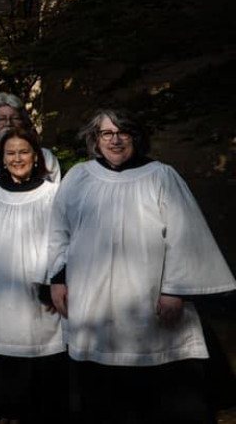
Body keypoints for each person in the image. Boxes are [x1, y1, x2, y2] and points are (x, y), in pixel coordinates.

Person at [46, 109, 236, 422]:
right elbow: (58, 231)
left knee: (159, 393)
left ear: (136, 136)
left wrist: (174, 290)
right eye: (107, 133)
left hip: (150, 301)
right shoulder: (79, 176)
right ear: (96, 139)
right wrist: (56, 278)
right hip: (93, 302)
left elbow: (184, 235)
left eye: (123, 132)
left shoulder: (161, 175)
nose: (115, 140)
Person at [0, 128, 69, 422]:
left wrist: (54, 281)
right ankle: (7, 413)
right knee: (2, 358)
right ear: (2, 158)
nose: (17, 158)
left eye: (23, 152)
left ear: (36, 156)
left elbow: (63, 240)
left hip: (39, 289)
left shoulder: (52, 193)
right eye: (10, 153)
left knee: (40, 355)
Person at [0, 92, 61, 183]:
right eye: (2, 119)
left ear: (24, 123)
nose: (8, 124)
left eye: (15, 118)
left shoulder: (45, 157)